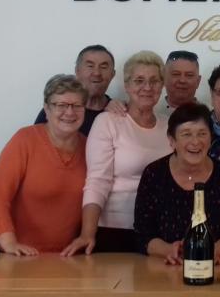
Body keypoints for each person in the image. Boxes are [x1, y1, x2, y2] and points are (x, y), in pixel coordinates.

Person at [61, 51, 171, 255]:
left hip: (159, 233)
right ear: (127, 85)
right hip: (114, 229)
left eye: (154, 81)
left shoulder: (169, 126)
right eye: (139, 80)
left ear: (162, 85)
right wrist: (87, 234)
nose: (147, 87)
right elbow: (97, 181)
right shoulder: (108, 121)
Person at [0, 74, 88, 255]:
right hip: (22, 257)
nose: (70, 112)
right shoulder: (24, 140)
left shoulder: (91, 146)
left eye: (77, 105)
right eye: (61, 105)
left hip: (70, 258)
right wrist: (9, 243)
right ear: (46, 109)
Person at [134, 103, 220, 264]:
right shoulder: (154, 174)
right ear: (172, 140)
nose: (195, 142)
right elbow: (143, 234)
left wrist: (206, 250)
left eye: (202, 134)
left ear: (211, 138)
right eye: (186, 134)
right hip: (162, 267)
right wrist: (170, 250)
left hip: (213, 267)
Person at [34, 45, 115, 135]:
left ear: (113, 74)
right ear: (77, 71)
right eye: (90, 66)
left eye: (103, 67)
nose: (96, 73)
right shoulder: (56, 109)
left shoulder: (117, 112)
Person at [155, 50, 201, 116]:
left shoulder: (209, 116)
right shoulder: (150, 112)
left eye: (189, 75)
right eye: (176, 74)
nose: (182, 80)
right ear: (164, 78)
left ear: (198, 81)